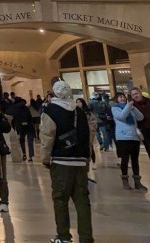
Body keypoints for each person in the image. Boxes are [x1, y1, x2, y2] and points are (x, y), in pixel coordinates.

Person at [41, 80, 94, 243]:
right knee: (82, 201)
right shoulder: (79, 111)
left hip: (61, 160)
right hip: (80, 161)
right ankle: (86, 237)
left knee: (60, 199)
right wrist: (87, 157)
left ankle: (63, 236)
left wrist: (45, 157)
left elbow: (47, 136)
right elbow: (88, 135)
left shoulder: (51, 110)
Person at [110, 91, 145, 191]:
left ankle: (137, 181)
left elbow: (140, 117)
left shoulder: (130, 107)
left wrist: (133, 108)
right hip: (122, 137)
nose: (122, 98)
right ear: (116, 99)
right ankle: (125, 180)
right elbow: (121, 116)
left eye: (123, 97)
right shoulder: (115, 108)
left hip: (134, 136)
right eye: (120, 97)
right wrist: (128, 106)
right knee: (124, 160)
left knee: (135, 160)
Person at [8, 95, 34, 162]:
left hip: (20, 127)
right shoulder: (26, 107)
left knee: (22, 141)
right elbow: (30, 117)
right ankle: (30, 156)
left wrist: (14, 128)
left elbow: (13, 118)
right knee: (30, 142)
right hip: (29, 126)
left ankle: (24, 154)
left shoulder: (14, 108)